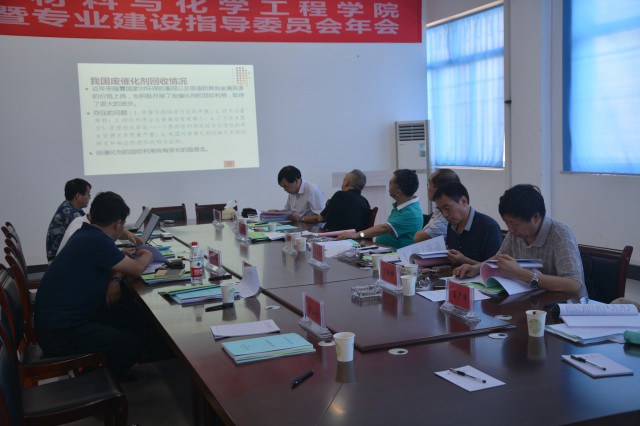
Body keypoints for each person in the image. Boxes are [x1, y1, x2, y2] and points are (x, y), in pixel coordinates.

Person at [35, 191, 154, 377]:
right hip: (62, 332)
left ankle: (106, 365)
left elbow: (115, 265)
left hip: (57, 321)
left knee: (128, 312)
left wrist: (116, 277)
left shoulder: (86, 233)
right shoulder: (97, 241)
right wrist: (148, 253)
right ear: (118, 224)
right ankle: (95, 379)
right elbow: (138, 268)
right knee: (132, 344)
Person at [454, 184, 587, 297]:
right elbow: (500, 257)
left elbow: (574, 285)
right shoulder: (516, 233)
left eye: (514, 224)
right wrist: (476, 268)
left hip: (563, 308)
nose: (510, 230)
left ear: (535, 217)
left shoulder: (560, 235)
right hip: (531, 301)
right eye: (507, 223)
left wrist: (522, 274)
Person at [337, 169, 422, 249]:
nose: (389, 186)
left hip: (395, 255)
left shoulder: (411, 213)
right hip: (383, 250)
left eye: (390, 183)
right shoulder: (403, 206)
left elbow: (384, 228)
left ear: (398, 192)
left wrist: (356, 235)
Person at [433, 181, 502, 265]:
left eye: (447, 208)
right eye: (440, 210)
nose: (444, 215)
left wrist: (464, 261)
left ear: (464, 201)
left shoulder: (489, 227)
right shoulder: (451, 225)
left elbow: (494, 267)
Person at [303, 169, 371, 230]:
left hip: (336, 237)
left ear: (346, 183)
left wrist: (328, 205)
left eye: (344, 179)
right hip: (358, 238)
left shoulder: (340, 195)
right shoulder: (365, 201)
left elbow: (320, 219)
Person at [46, 178, 92, 261]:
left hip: (64, 256)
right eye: (88, 194)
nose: (90, 197)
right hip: (59, 259)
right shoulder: (68, 212)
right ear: (78, 196)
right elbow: (89, 232)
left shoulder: (72, 208)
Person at [414, 168, 460, 243]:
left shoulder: (447, 217)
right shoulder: (439, 209)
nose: (427, 187)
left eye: (429, 184)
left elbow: (418, 238)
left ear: (438, 189)